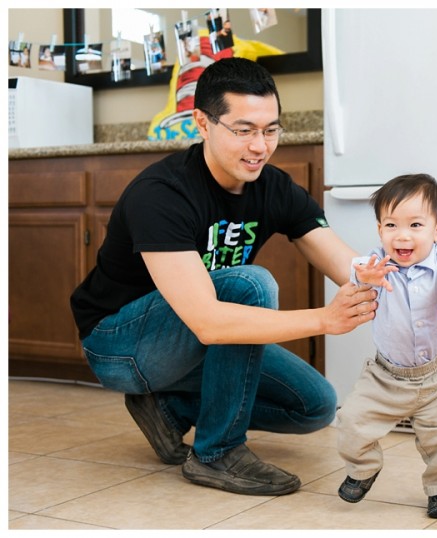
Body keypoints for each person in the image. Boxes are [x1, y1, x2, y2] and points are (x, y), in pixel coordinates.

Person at [69, 57, 387, 496]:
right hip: (119, 343)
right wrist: (323, 320)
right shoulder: (162, 194)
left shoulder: (272, 186)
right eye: (244, 130)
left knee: (315, 405)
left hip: (193, 340)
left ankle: (170, 408)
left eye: (271, 129)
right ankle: (216, 454)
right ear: (202, 122)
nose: (260, 146)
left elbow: (343, 261)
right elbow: (209, 321)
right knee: (250, 285)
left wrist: (395, 276)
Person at [334, 174, 437, 519]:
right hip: (385, 376)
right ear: (379, 230)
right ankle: (363, 467)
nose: (402, 235)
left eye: (416, 224)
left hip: (436, 378)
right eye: (391, 225)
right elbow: (356, 270)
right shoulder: (375, 264)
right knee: (351, 422)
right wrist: (365, 278)